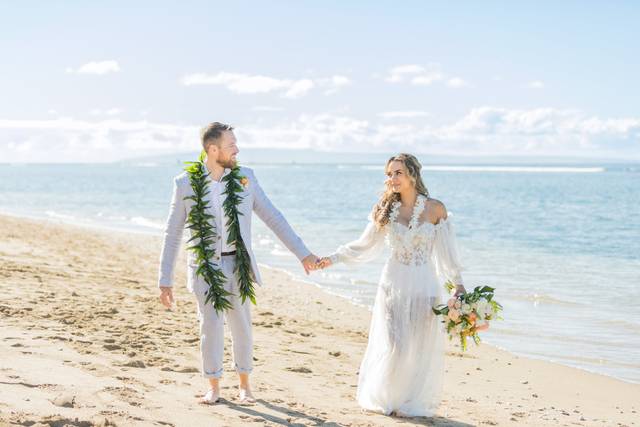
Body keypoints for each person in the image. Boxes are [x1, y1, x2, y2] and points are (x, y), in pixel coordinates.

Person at [158, 122, 320, 404]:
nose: (237, 149)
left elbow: (273, 217)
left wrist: (302, 253)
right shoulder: (185, 183)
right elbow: (172, 233)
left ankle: (245, 385)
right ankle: (214, 387)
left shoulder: (246, 178)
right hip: (204, 267)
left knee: (242, 326)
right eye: (231, 145)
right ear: (213, 149)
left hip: (238, 265)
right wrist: (165, 279)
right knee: (210, 327)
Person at [318, 153, 466, 417]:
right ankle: (389, 397)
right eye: (389, 174)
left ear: (412, 174)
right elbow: (363, 245)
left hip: (424, 286)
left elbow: (448, 254)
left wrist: (458, 285)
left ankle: (410, 402)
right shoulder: (385, 209)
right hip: (393, 285)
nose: (392, 179)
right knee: (397, 345)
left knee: (419, 347)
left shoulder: (435, 209)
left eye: (397, 173)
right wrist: (332, 258)